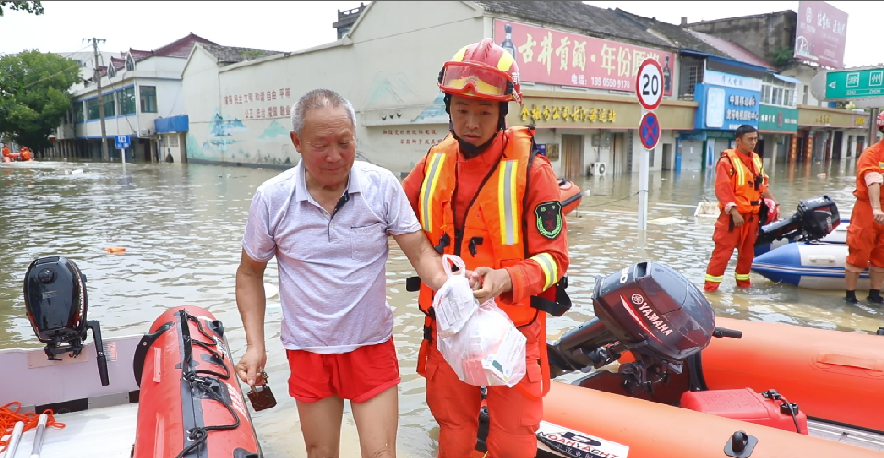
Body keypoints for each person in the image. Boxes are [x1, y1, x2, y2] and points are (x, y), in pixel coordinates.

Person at [234, 88, 454, 458]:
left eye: (345, 142)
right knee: (321, 451)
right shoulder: (272, 198)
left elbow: (418, 251)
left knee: (381, 453)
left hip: (371, 345)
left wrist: (453, 285)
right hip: (308, 349)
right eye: (321, 145)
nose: (335, 156)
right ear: (297, 142)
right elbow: (249, 273)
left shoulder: (381, 186)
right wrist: (256, 345)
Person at [401, 39, 571, 458]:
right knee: (453, 428)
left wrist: (506, 278)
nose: (471, 122)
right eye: (462, 110)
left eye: (483, 112)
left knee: (514, 438)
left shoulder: (533, 170)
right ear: (448, 109)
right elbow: (392, 217)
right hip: (448, 323)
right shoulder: (433, 162)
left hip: (513, 330)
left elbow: (556, 260)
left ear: (502, 113)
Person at [704, 125, 777, 292]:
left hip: (752, 218)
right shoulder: (726, 162)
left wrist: (774, 204)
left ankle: (743, 289)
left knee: (747, 255)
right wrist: (734, 212)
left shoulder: (756, 160)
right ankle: (710, 291)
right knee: (722, 254)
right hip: (732, 218)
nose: (753, 142)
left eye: (755, 139)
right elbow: (723, 189)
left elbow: (762, 186)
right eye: (749, 139)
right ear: (738, 141)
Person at [844, 112, 884, 304]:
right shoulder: (872, 154)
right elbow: (872, 180)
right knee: (859, 250)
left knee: (881, 254)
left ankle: (874, 294)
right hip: (867, 208)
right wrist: (876, 208)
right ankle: (850, 295)